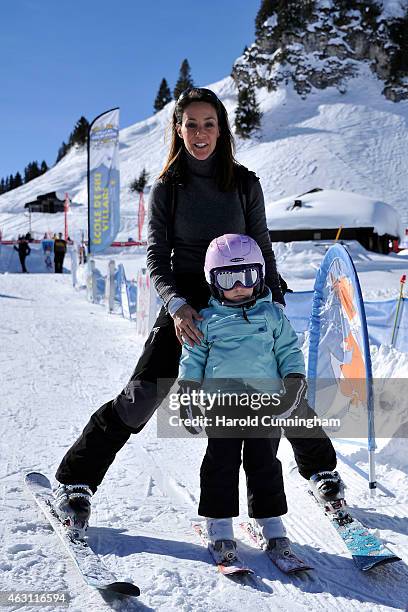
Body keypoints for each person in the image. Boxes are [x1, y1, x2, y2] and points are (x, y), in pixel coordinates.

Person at [53, 87, 342, 537]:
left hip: (244, 298)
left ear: (221, 129)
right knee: (143, 393)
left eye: (210, 123)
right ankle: (77, 480)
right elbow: (156, 258)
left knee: (281, 388)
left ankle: (320, 471)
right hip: (189, 307)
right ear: (178, 129)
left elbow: (263, 247)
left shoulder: (245, 183)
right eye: (191, 124)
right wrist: (177, 305)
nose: (201, 132)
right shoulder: (168, 188)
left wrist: (274, 303)